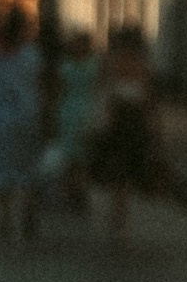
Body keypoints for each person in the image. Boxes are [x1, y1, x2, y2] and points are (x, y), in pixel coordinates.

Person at [0, 6, 43, 244]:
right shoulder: (32, 55)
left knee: (0, 169)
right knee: (27, 167)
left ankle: (4, 217)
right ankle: (27, 211)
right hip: (28, 118)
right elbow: (39, 85)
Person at [92, 23, 157, 240]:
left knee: (119, 174)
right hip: (133, 123)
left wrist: (100, 123)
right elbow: (148, 100)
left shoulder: (111, 65)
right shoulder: (142, 66)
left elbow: (104, 96)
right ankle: (120, 220)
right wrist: (153, 126)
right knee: (125, 174)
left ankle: (118, 219)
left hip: (119, 124)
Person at [48, 26, 99, 214]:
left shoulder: (70, 66)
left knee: (79, 157)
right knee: (72, 156)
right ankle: (75, 191)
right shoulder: (84, 65)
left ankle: (78, 191)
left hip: (77, 112)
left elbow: (58, 90)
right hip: (73, 112)